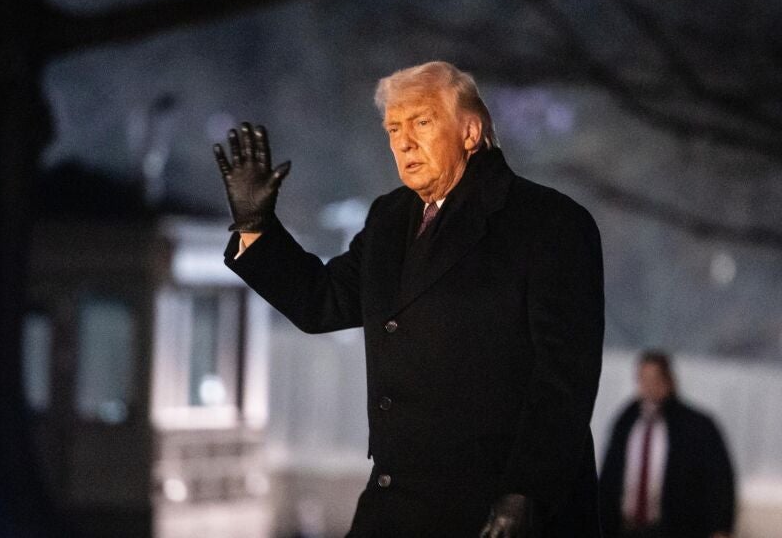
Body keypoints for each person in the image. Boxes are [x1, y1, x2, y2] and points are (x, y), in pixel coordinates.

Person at [212, 61, 604, 537]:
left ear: (470, 132)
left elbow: (564, 378)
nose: (403, 142)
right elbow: (323, 302)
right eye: (393, 129)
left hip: (494, 506)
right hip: (398, 499)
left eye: (421, 122)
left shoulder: (549, 223)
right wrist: (256, 227)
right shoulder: (390, 217)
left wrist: (526, 491)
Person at [599, 352, 735, 538]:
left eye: (654, 379)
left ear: (668, 380)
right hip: (626, 529)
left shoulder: (696, 427)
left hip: (676, 528)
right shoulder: (626, 421)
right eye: (643, 379)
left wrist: (720, 526)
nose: (648, 386)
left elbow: (718, 480)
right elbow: (610, 477)